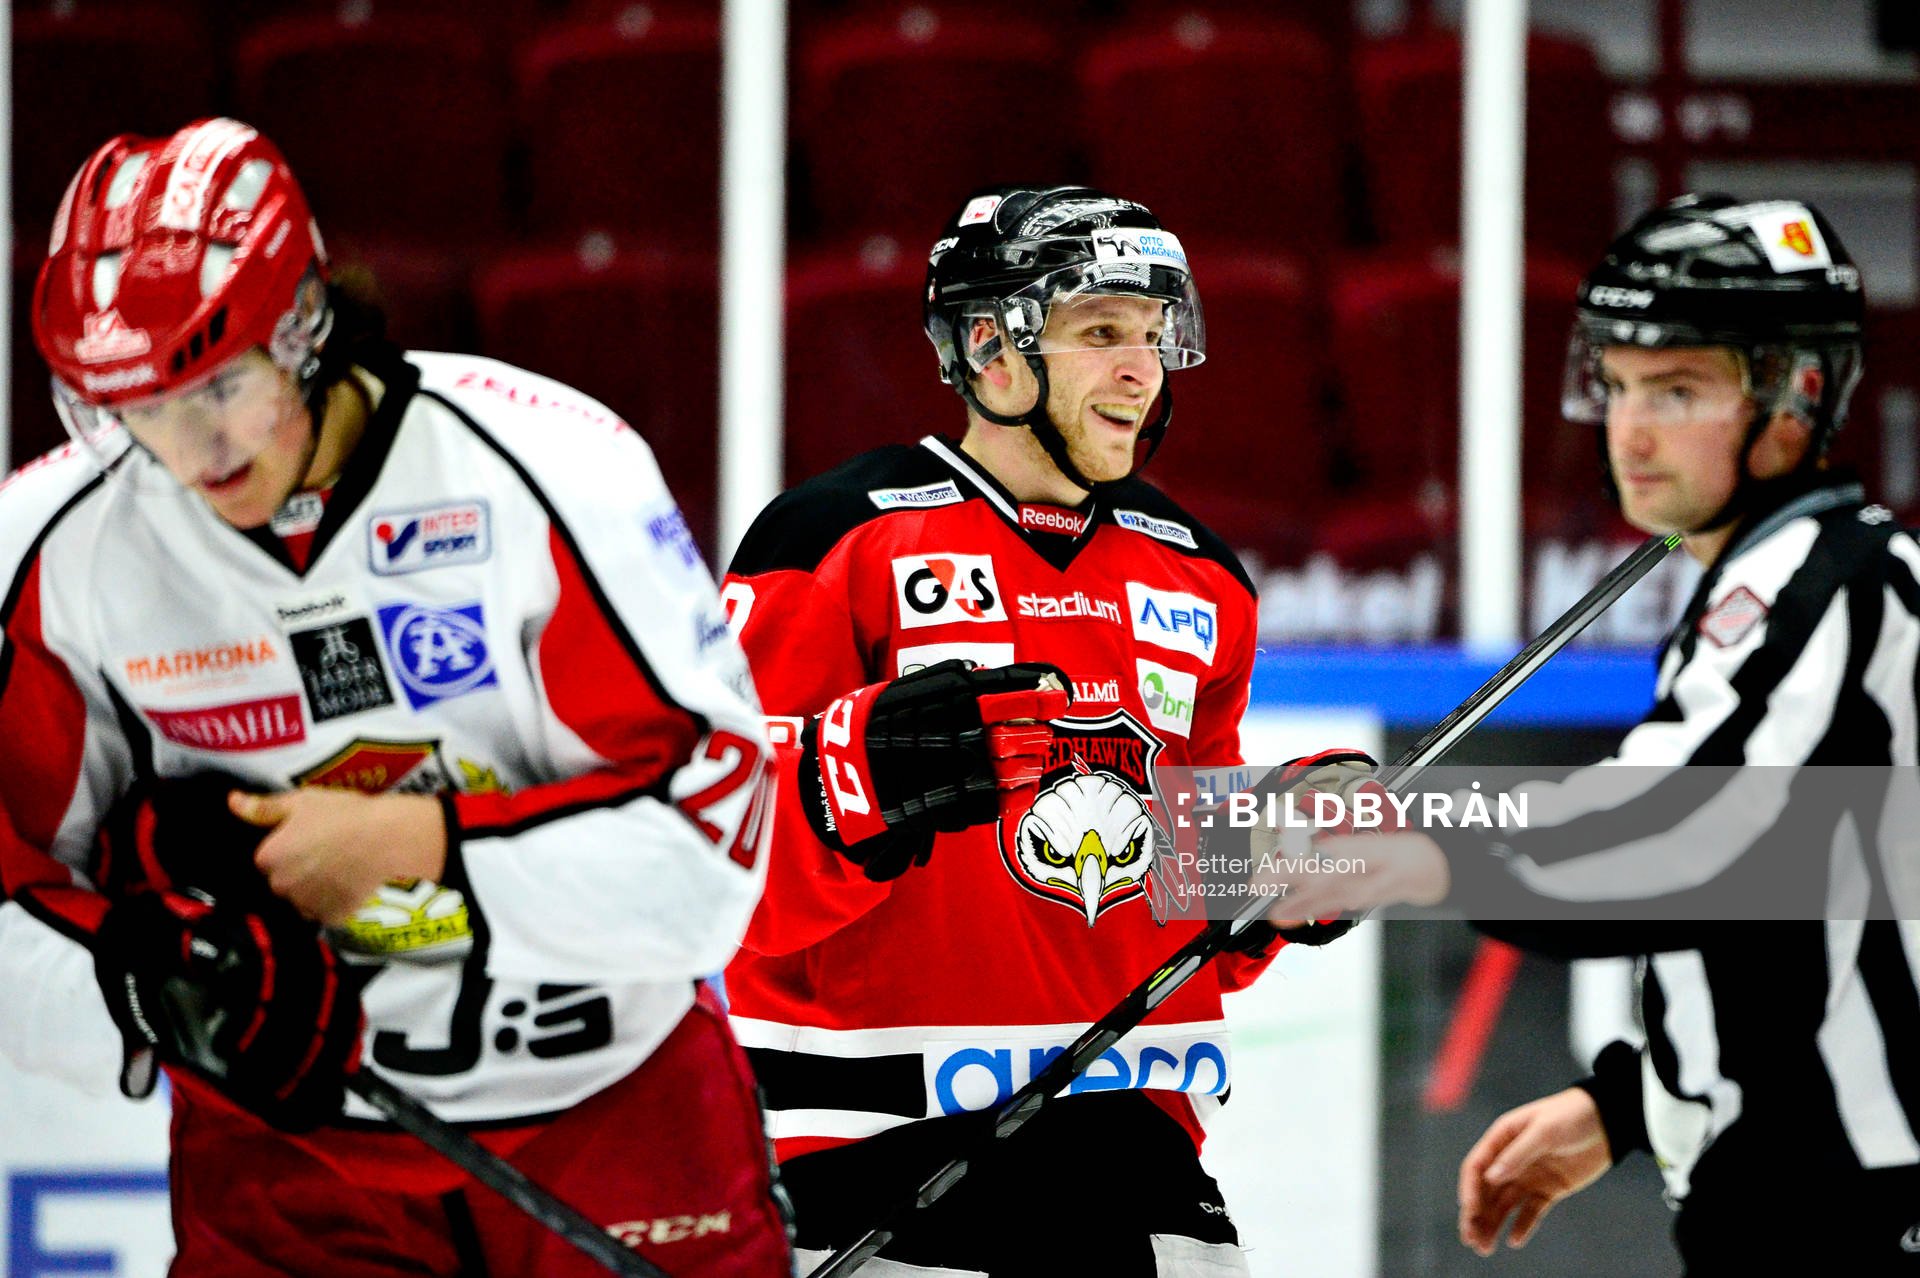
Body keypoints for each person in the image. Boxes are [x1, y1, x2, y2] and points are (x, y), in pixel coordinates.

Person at [6, 118, 791, 1276]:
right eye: (143, 412)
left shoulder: (553, 469)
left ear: (303, 323)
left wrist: (419, 844)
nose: (197, 447)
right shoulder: (55, 550)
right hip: (287, 1157)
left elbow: (715, 854)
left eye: (222, 385)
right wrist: (145, 978)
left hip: (614, 1111)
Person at [718, 184, 1365, 1276]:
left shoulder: (1201, 577)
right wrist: (849, 780)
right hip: (872, 1152)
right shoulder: (830, 541)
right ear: (992, 347)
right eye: (1101, 331)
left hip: (1135, 1157)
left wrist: (1276, 857)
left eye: (1153, 337)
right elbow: (711, 857)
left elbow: (1167, 881)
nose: (1140, 368)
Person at [1266, 195, 1920, 1272]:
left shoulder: (1837, 588)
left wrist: (1396, 833)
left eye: (1677, 389)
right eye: (1615, 386)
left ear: (1798, 396)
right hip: (1786, 1204)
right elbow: (1787, 917)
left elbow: (1674, 843)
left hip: (1856, 1213)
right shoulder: (1761, 586)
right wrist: (1625, 1104)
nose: (1632, 429)